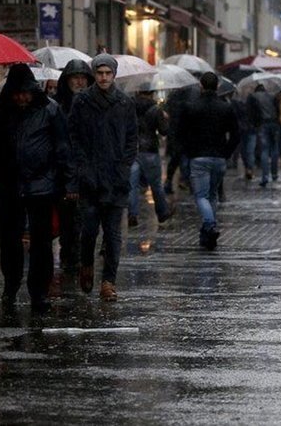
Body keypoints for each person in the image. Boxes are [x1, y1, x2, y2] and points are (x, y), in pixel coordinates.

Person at [0, 64, 71, 313]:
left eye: (26, 92)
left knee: (42, 242)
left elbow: (62, 147)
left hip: (42, 185)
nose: (22, 98)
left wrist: (65, 182)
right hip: (9, 185)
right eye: (17, 93)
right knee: (9, 240)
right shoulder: (0, 111)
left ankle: (38, 292)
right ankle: (11, 284)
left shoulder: (49, 110)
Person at [68, 54, 138, 302]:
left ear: (114, 75)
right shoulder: (82, 102)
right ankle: (86, 264)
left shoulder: (124, 102)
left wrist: (123, 167)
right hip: (90, 179)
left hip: (116, 180)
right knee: (88, 230)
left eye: (108, 73)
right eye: (100, 73)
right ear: (94, 74)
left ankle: (108, 281)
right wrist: (83, 167)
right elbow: (73, 135)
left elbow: (132, 139)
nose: (104, 77)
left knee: (112, 235)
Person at [181, 72, 240, 250]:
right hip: (219, 157)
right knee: (212, 194)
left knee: (200, 196)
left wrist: (189, 151)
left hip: (199, 157)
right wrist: (227, 152)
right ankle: (208, 233)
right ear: (217, 87)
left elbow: (182, 134)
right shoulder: (226, 108)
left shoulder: (192, 107)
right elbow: (236, 134)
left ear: (201, 86)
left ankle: (209, 223)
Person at [54, 59, 94, 276]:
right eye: (75, 78)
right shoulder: (57, 105)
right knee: (67, 218)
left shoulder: (93, 104)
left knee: (82, 218)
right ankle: (69, 255)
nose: (79, 82)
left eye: (82, 78)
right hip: (62, 171)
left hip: (86, 170)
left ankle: (76, 257)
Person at [128, 83, 171, 229]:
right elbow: (164, 131)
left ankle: (132, 214)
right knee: (156, 184)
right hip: (150, 151)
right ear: (152, 93)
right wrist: (165, 118)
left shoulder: (129, 107)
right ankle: (163, 212)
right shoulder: (156, 109)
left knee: (132, 186)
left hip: (133, 150)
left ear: (138, 91)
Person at [164, 81, 200, 195]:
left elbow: (168, 113)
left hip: (175, 134)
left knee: (175, 160)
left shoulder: (173, 98)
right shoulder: (191, 101)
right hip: (186, 135)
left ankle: (170, 182)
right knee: (185, 159)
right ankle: (186, 181)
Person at [247, 83, 280, 187]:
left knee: (264, 150)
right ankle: (274, 174)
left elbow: (251, 113)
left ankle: (265, 176)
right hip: (273, 124)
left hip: (262, 125)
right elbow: (277, 110)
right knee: (274, 148)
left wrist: (255, 124)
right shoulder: (272, 96)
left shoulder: (252, 97)